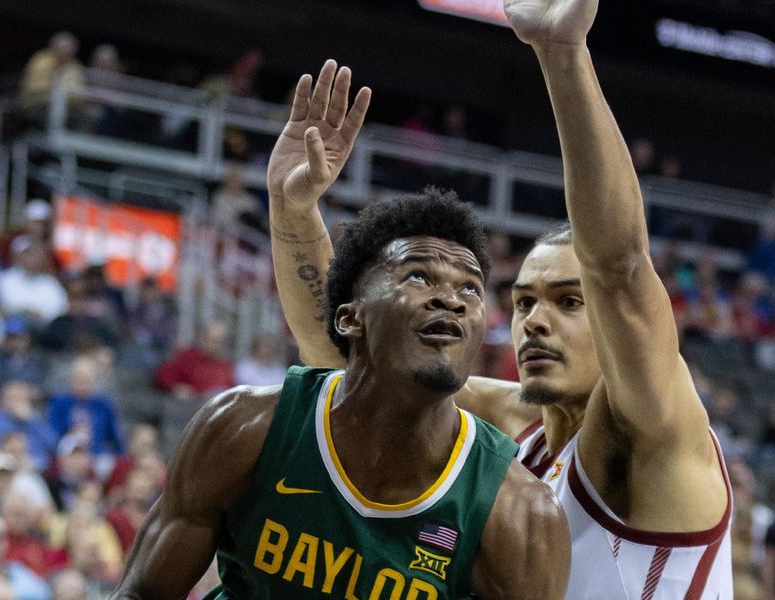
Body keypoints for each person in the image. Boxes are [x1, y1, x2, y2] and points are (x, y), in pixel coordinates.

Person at [269, 5, 734, 595]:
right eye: (523, 303)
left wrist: (563, 55)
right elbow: (354, 356)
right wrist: (293, 210)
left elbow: (618, 269)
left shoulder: (653, 434)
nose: (536, 322)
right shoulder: (514, 430)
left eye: (569, 302)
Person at [110, 63, 570, 599]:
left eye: (471, 289)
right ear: (350, 318)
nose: (452, 297)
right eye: (418, 275)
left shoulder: (518, 511)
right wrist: (292, 205)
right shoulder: (244, 428)